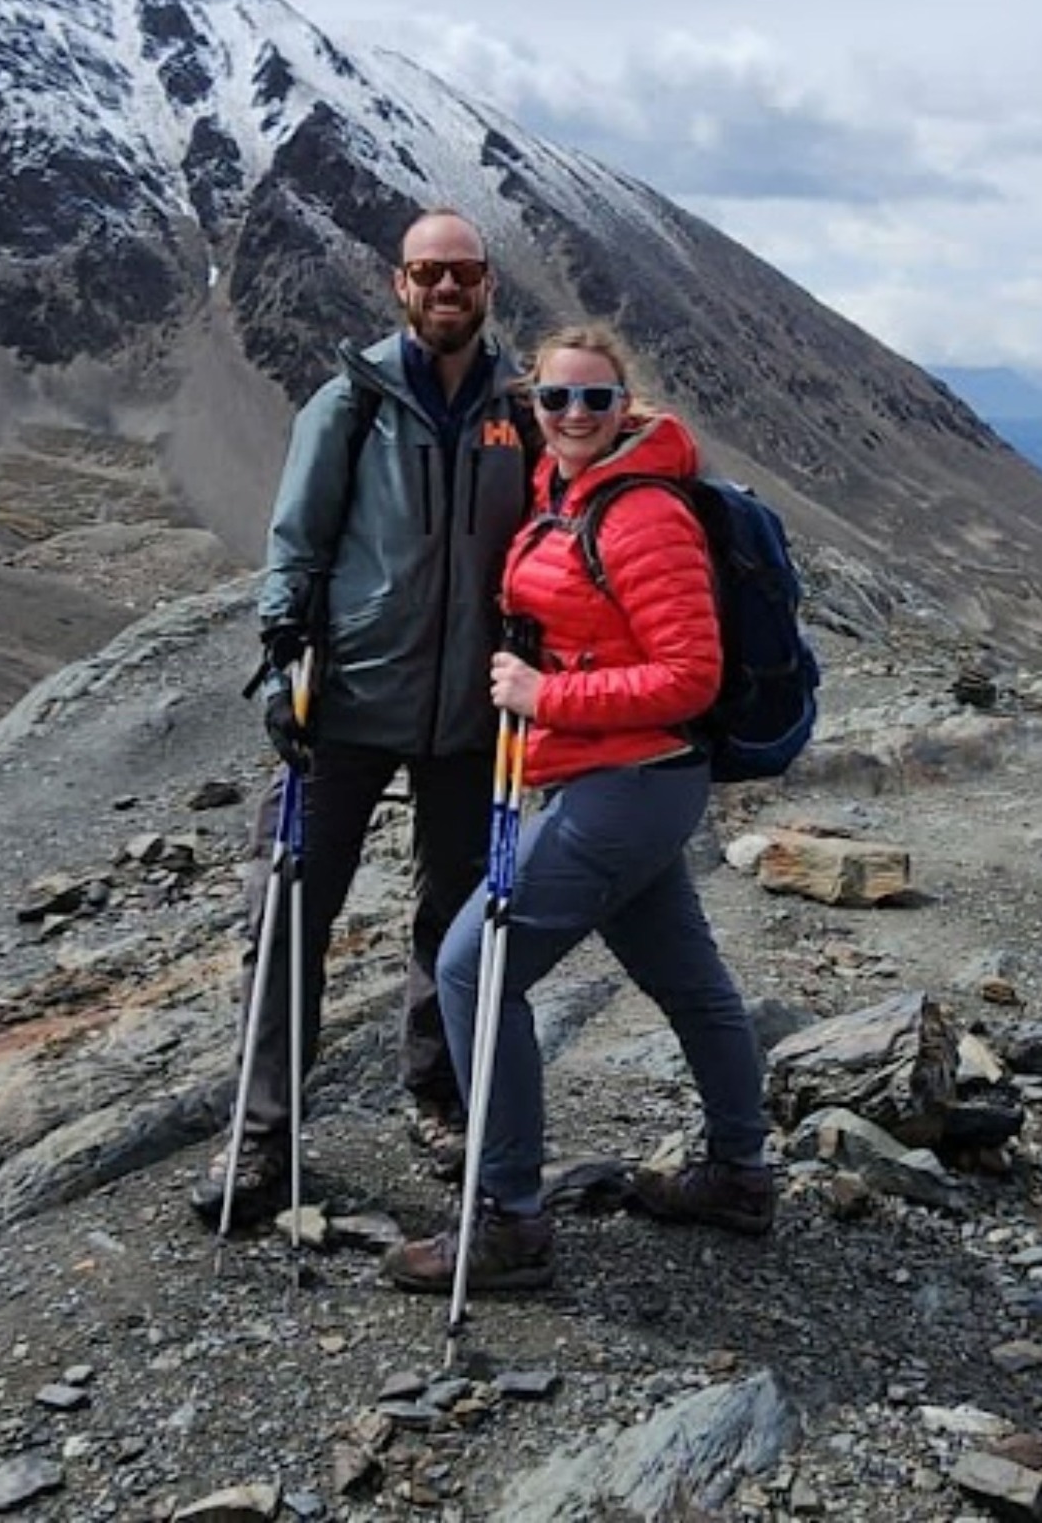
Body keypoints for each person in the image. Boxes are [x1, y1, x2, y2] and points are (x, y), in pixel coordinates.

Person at [382, 325, 776, 1295]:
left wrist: (543, 697)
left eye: (594, 400)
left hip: (629, 783)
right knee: (686, 978)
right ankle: (740, 1174)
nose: (572, 416)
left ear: (623, 405)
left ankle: (509, 1219)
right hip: (612, 781)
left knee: (474, 968)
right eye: (554, 399)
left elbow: (690, 675)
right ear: (534, 402)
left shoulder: (643, 513)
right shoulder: (565, 491)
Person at [190, 207, 535, 1230]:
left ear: (486, 287)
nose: (445, 289)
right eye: (427, 272)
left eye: (463, 273)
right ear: (399, 285)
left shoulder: (520, 408)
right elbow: (297, 538)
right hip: (346, 703)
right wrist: (281, 650)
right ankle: (261, 1134)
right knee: (291, 909)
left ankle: (436, 1097)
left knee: (453, 920)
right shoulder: (352, 401)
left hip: (470, 714)